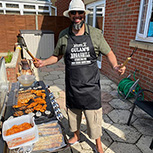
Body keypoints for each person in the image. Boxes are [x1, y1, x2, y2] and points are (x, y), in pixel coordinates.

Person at [33, 0, 126, 152]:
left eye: (80, 13)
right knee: (74, 116)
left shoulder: (95, 34)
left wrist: (115, 66)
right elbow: (57, 56)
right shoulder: (64, 35)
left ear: (84, 15)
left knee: (94, 119)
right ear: (69, 15)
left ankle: (98, 144)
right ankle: (76, 136)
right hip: (73, 86)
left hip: (91, 87)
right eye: (73, 13)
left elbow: (109, 53)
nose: (77, 16)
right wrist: (43, 63)